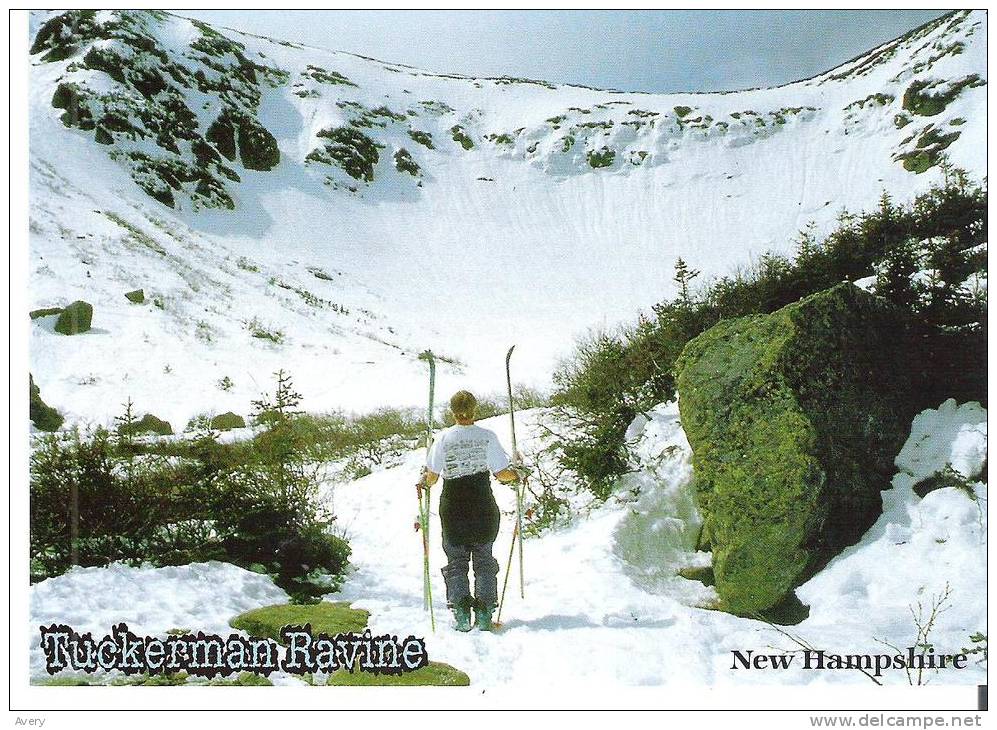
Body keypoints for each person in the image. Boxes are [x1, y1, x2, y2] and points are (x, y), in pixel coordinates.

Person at [418, 390, 522, 632]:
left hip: (453, 506)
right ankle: (485, 613)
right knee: (484, 559)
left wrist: (423, 479)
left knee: (456, 560)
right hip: (482, 504)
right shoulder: (487, 437)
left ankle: (462, 613)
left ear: (452, 412)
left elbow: (432, 478)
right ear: (475, 410)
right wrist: (517, 474)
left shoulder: (443, 439)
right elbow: (502, 474)